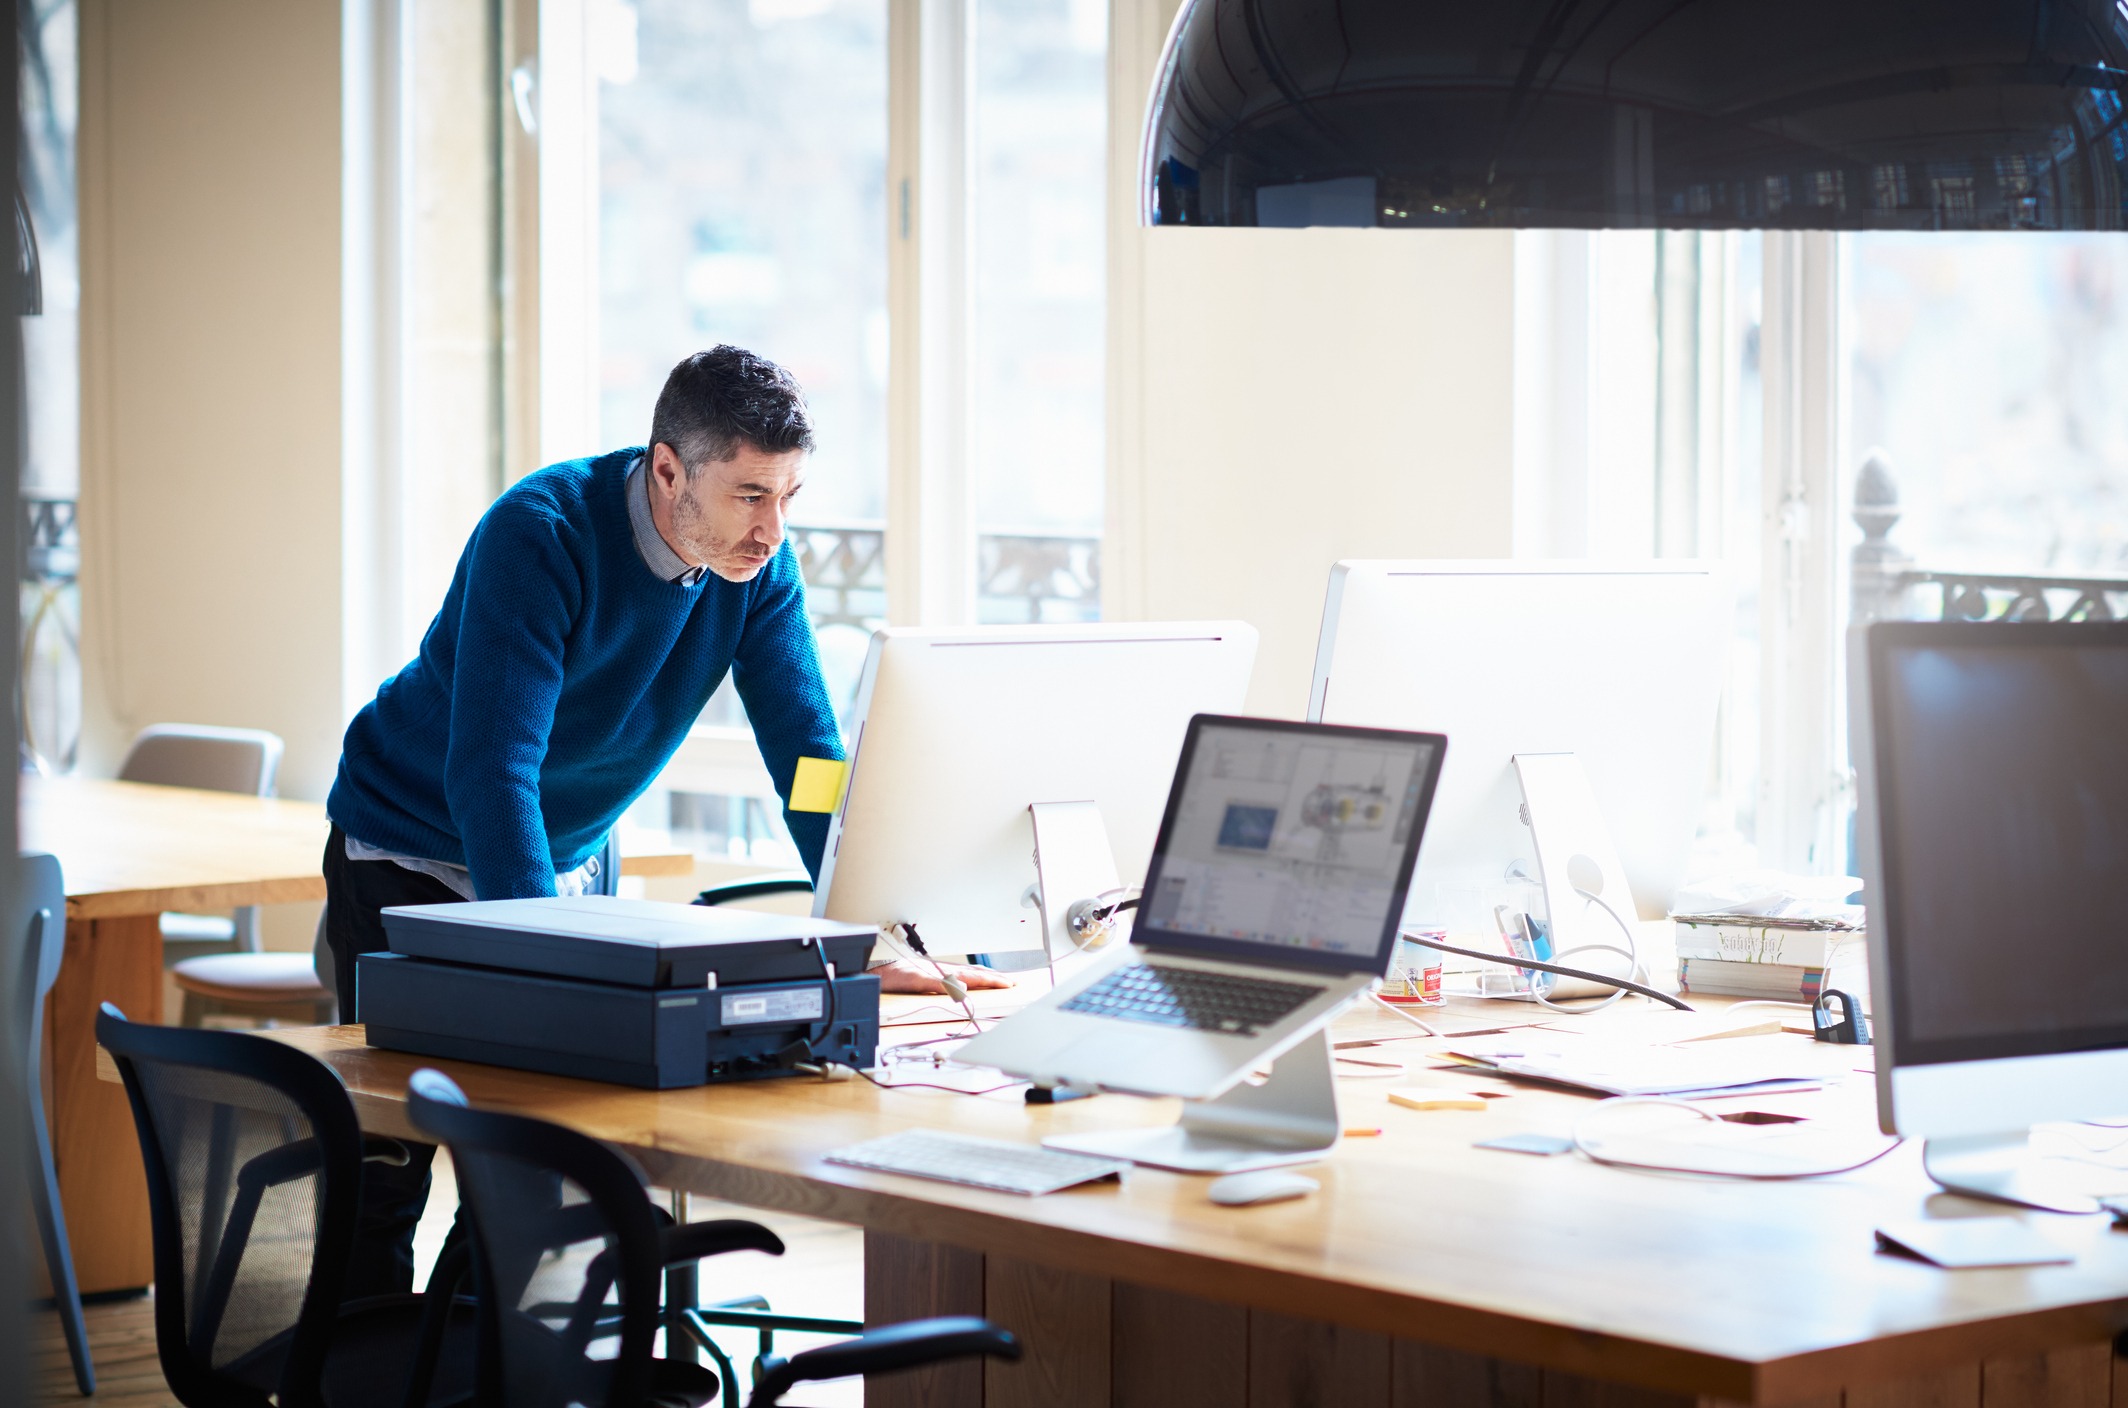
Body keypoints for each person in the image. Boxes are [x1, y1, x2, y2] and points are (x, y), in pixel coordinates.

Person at [323, 346, 1005, 1295]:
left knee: (530, 1152)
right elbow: (493, 773)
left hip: (558, 859)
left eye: (788, 498)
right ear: (668, 469)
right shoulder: (543, 534)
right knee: (389, 1154)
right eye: (749, 495)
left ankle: (464, 1365)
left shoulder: (755, 572)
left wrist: (871, 926)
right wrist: (548, 954)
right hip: (407, 848)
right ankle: (355, 1368)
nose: (771, 529)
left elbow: (806, 761)